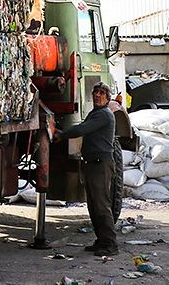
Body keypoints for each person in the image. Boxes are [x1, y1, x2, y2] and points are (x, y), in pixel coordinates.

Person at [53, 82, 118, 256]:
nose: (97, 95)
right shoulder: (95, 113)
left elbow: (82, 129)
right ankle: (101, 241)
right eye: (95, 92)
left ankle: (110, 244)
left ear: (107, 97)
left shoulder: (104, 114)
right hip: (92, 164)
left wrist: (61, 134)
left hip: (100, 165)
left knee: (102, 206)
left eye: (102, 93)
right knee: (94, 206)